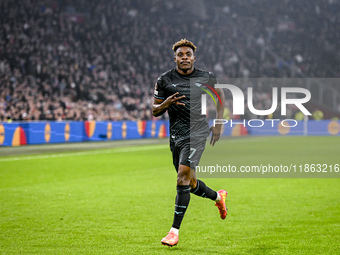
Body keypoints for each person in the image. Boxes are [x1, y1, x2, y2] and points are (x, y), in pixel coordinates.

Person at [152, 39, 228, 247]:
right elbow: (155, 110)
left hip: (197, 132)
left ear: (194, 57)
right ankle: (218, 197)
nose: (184, 57)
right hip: (176, 136)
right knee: (190, 183)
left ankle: (173, 232)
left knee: (181, 179)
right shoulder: (165, 80)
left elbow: (220, 96)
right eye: (180, 54)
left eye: (188, 54)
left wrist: (218, 124)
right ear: (175, 58)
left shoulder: (205, 77)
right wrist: (166, 103)